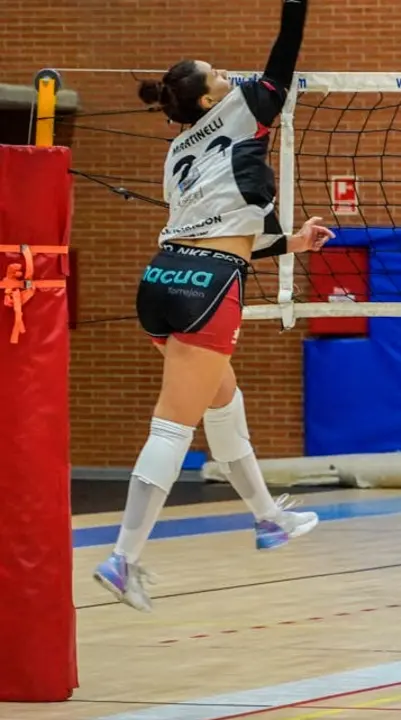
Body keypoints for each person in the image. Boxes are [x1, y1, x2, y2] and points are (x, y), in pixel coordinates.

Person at [93, 0, 330, 613]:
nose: (231, 74)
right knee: (173, 424)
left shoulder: (178, 151)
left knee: (224, 402)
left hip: (163, 279)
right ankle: (124, 557)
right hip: (207, 285)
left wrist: (293, 242)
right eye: (218, 73)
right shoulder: (249, 107)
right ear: (205, 99)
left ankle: (267, 518)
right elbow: (287, 51)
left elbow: (221, 222)